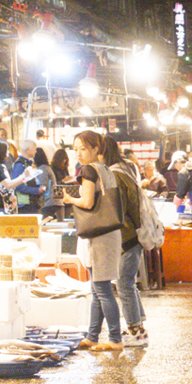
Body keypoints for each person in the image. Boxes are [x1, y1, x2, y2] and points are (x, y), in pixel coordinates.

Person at [63, 131, 124, 351]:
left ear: (96, 149)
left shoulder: (88, 170)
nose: (79, 153)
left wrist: (69, 198)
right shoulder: (105, 169)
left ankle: (116, 339)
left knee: (102, 289)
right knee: (98, 288)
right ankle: (92, 336)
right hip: (108, 233)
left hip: (100, 236)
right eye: (75, 148)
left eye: (83, 148)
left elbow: (87, 202)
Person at [103, 136, 148, 347]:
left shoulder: (114, 174)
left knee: (124, 284)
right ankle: (139, 328)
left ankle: (135, 331)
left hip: (126, 235)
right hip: (132, 234)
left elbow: (118, 209)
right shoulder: (125, 168)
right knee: (128, 283)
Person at [0, 140, 29, 214]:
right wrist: (23, 175)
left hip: (2, 205)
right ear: (1, 151)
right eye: (7, 150)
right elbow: (8, 185)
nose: (8, 153)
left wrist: (22, 179)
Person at [11, 140, 45, 214]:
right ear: (27, 149)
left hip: (30, 204)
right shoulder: (20, 165)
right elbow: (17, 186)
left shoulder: (27, 164)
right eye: (34, 148)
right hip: (24, 206)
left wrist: (38, 187)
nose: (36, 151)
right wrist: (36, 190)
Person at [33, 148, 64, 221]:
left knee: (44, 225)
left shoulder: (42, 169)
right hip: (57, 201)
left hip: (50, 202)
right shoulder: (47, 167)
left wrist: (34, 191)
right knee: (60, 225)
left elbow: (44, 186)